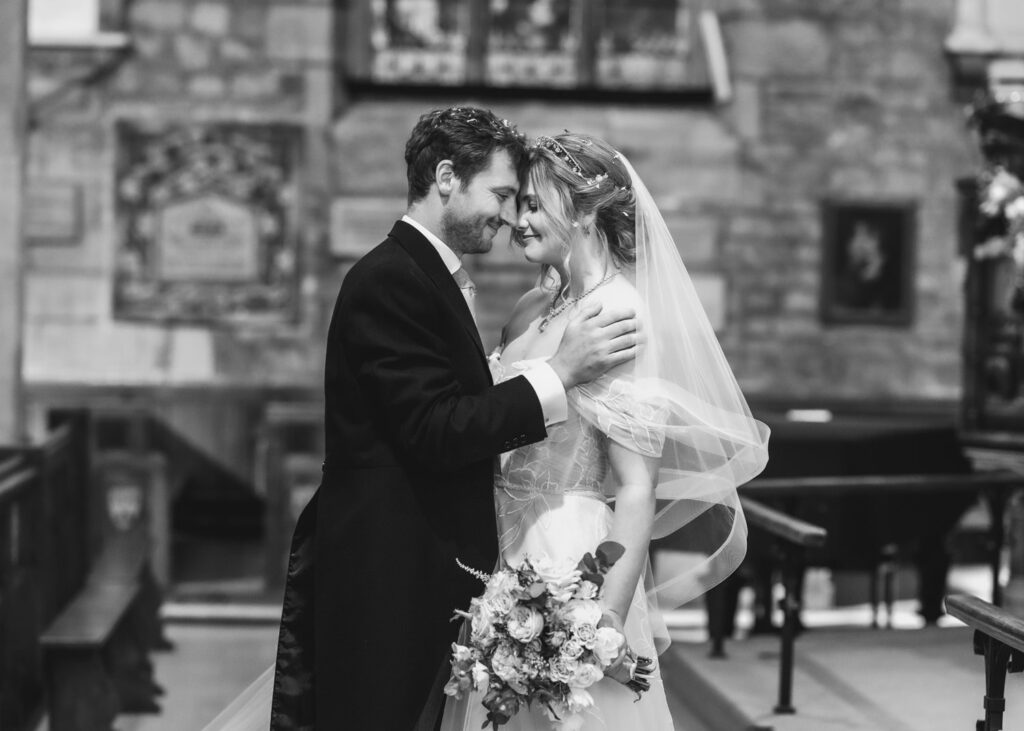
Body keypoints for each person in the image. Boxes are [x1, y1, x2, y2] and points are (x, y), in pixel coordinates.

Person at [200, 108, 639, 731]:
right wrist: (558, 372)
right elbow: (436, 429)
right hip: (390, 572)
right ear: (445, 178)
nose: (512, 217)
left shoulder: (429, 275)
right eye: (503, 195)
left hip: (463, 567)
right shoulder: (390, 280)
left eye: (524, 201)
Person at [440, 133, 770, 730]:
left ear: (586, 210)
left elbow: (637, 486)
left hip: (574, 561)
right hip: (497, 559)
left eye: (535, 204)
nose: (518, 220)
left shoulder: (619, 314)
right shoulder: (527, 310)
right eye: (517, 203)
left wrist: (606, 620)